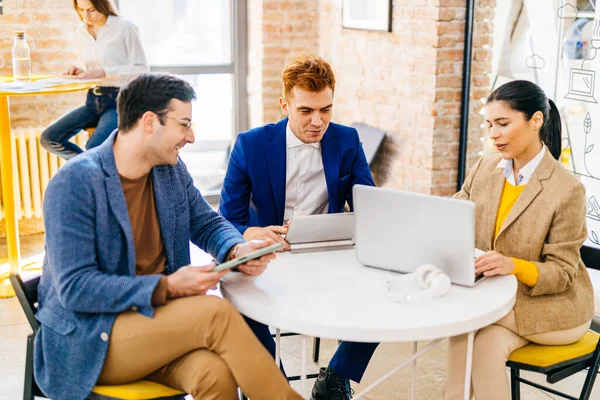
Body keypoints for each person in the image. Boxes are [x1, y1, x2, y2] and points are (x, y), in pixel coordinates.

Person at [34, 73, 303, 400]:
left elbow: (205, 222)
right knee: (214, 315)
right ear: (149, 122)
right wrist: (169, 286)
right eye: (184, 124)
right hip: (93, 339)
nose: (191, 137)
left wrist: (236, 249)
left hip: (155, 326)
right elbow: (76, 289)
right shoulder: (75, 184)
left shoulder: (169, 170)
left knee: (214, 375)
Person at [219, 55, 378, 400]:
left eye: (326, 110)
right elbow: (227, 217)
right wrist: (251, 233)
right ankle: (274, 387)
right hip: (270, 252)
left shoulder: (348, 140)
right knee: (237, 305)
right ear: (284, 104)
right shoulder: (251, 144)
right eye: (306, 111)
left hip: (328, 251)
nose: (318, 121)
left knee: (382, 292)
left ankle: (337, 377)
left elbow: (370, 207)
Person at [443, 80, 595, 400]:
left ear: (535, 120)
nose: (493, 134)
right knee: (481, 343)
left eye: (503, 124)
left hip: (554, 306)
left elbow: (563, 272)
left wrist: (511, 265)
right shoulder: (485, 168)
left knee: (465, 322)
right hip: (499, 298)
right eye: (489, 125)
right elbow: (453, 219)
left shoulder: (566, 190)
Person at [40, 0, 149, 159]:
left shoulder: (125, 28)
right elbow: (91, 66)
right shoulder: (80, 31)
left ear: (103, 5)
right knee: (50, 139)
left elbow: (141, 69)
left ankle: (92, 172)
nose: (86, 16)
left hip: (120, 101)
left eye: (91, 9)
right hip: (93, 100)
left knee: (94, 147)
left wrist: (104, 72)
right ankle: (89, 169)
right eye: (81, 10)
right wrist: (79, 70)